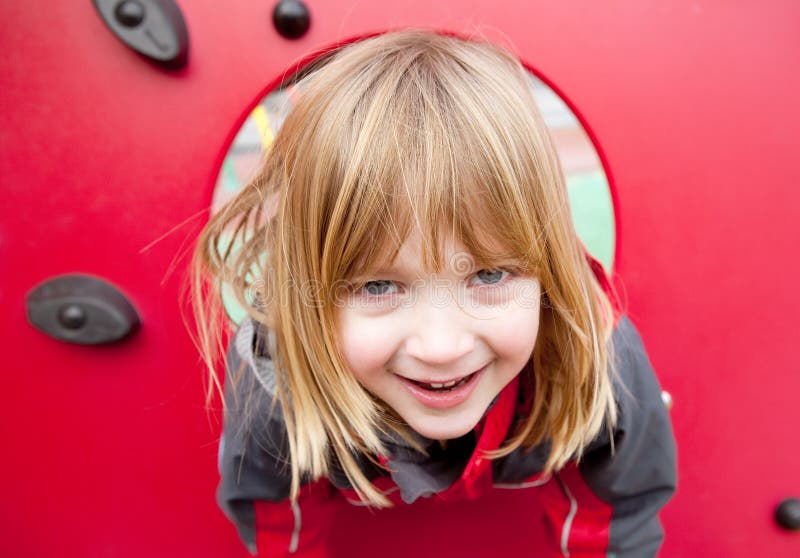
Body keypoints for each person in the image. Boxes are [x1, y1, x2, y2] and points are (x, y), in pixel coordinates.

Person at [190, 29, 677, 557]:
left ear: (548, 271)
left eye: (488, 277)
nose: (441, 347)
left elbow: (619, 515)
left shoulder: (596, 352)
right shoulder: (274, 383)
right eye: (378, 285)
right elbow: (277, 520)